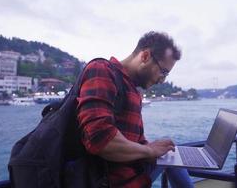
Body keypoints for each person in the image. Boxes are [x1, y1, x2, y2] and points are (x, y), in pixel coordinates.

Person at [76, 31, 194, 188]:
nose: (163, 80)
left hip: (133, 174)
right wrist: (150, 151)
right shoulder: (102, 70)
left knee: (170, 154)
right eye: (163, 72)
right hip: (110, 181)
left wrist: (155, 149)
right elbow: (101, 140)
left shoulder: (133, 90)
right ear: (145, 56)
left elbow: (134, 140)